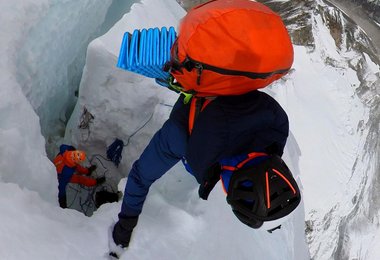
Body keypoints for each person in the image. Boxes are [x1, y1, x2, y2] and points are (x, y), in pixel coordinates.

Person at [112, 0, 301, 248]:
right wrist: (126, 223)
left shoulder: (275, 126)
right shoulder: (182, 138)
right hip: (196, 104)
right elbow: (139, 177)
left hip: (222, 84)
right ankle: (184, 78)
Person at [53, 144, 105, 208]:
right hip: (59, 175)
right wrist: (62, 202)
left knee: (78, 168)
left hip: (61, 164)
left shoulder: (65, 150)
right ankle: (95, 182)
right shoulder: (66, 172)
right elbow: (61, 187)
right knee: (80, 179)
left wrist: (71, 149)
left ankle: (87, 171)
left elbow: (62, 146)